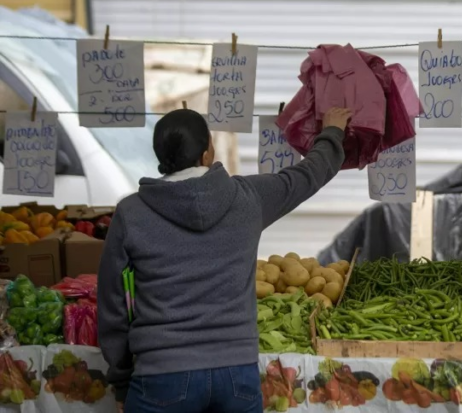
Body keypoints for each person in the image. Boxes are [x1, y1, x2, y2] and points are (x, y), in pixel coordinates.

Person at [97, 107, 352, 413]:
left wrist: (121, 380)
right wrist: (334, 131)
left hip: (161, 375)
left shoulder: (131, 214)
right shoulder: (248, 198)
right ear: (207, 154)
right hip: (237, 375)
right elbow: (309, 174)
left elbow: (113, 303)